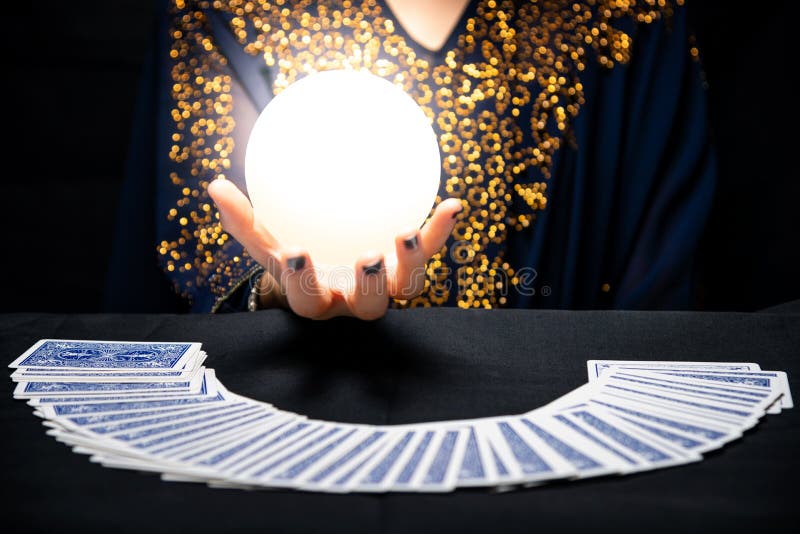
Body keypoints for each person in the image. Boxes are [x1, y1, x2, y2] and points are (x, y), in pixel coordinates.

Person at [106, 0, 715, 318]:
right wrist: (269, 294)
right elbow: (196, 253)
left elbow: (662, 293)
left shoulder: (627, 23)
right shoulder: (226, 14)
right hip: (290, 432)